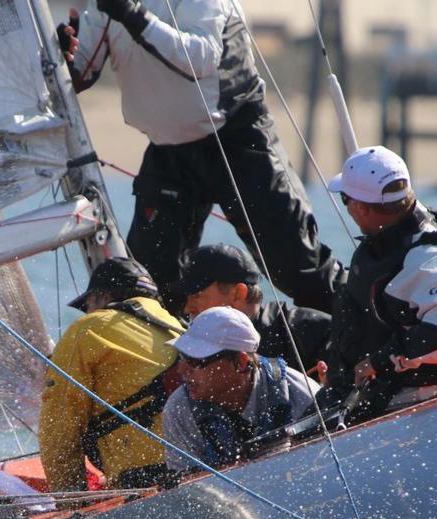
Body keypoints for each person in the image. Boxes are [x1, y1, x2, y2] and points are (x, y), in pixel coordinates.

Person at [56, 0, 344, 315]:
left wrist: (130, 13)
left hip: (237, 139)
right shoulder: (106, 6)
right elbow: (80, 71)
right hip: (168, 151)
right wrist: (64, 55)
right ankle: (171, 358)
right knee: (150, 282)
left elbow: (199, 58)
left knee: (296, 268)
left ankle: (360, 337)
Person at [322, 146, 437, 421]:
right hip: (371, 390)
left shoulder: (425, 257)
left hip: (404, 398)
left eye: (345, 200)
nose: (347, 209)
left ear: (360, 207)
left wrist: (380, 362)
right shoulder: (404, 231)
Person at [38, 257, 186, 492]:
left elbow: (59, 427)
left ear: (104, 296)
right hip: (197, 462)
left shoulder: (88, 328)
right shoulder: (178, 326)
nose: (86, 313)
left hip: (144, 476)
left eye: (86, 306)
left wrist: (72, 500)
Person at [161, 306, 319, 470]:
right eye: (182, 357)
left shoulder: (303, 396)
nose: (181, 370)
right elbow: (186, 490)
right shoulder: (178, 409)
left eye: (195, 361)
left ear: (241, 362)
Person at [175, 244, 331, 374]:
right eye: (186, 298)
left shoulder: (313, 331)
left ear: (238, 293)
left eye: (197, 296)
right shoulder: (188, 344)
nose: (188, 308)